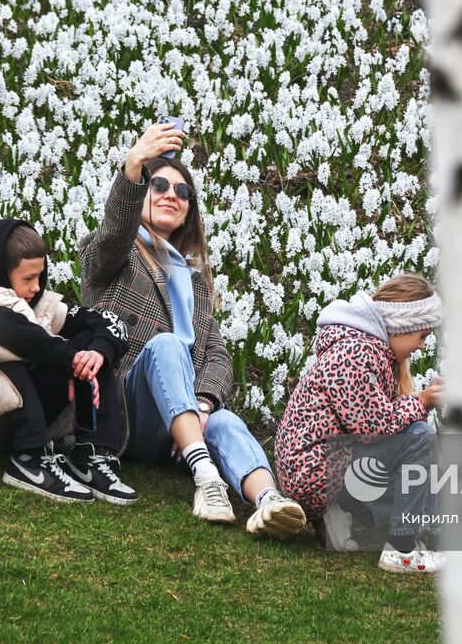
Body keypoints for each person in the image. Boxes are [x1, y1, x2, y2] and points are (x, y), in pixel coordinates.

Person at [77, 122, 307, 537]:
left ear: (189, 209)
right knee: (167, 346)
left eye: (182, 192)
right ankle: (206, 478)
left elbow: (217, 355)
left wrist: (203, 403)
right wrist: (134, 165)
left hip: (178, 426)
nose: (171, 195)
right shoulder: (114, 257)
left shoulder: (195, 282)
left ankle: (268, 502)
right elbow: (114, 231)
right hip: (125, 410)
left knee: (225, 422)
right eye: (160, 184)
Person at [0, 219, 139, 505]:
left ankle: (90, 453)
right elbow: (10, 330)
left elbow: (108, 320)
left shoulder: (35, 303)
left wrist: (96, 353)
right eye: (27, 279)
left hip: (15, 420)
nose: (36, 287)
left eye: (40, 277)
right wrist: (66, 359)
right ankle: (31, 459)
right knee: (9, 351)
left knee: (90, 351)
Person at [274, 274, 447, 573]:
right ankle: (401, 551)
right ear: (402, 326)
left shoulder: (362, 347)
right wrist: (421, 402)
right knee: (419, 437)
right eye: (421, 335)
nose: (421, 346)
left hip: (317, 468)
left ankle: (339, 515)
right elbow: (374, 429)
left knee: (420, 452)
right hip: (316, 473)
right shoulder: (356, 353)